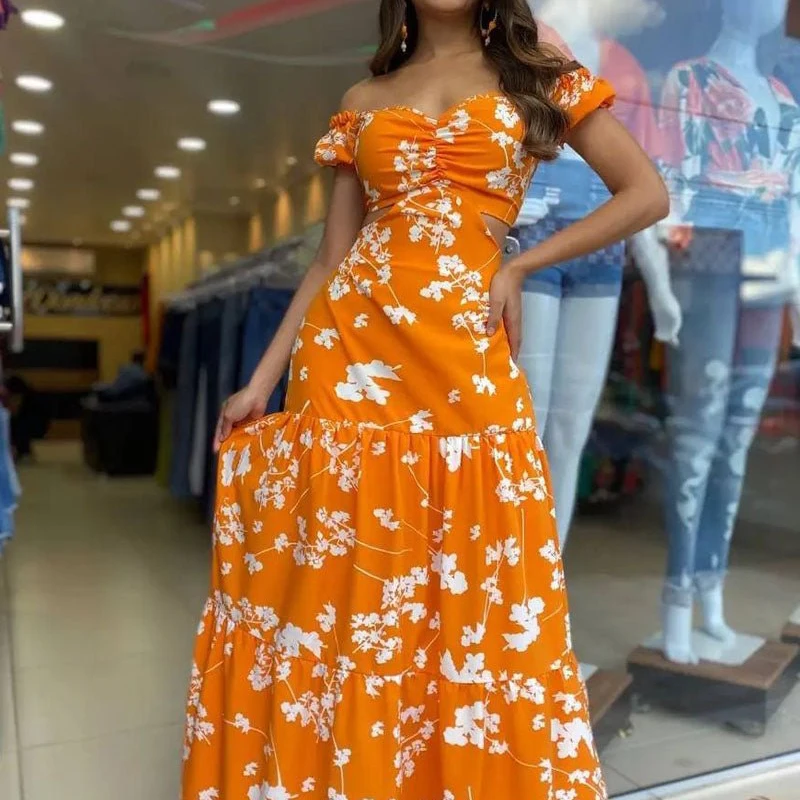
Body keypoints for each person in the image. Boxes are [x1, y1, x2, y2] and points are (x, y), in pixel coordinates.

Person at [180, 1, 668, 798]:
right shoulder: (363, 99)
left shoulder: (538, 75)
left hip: (466, 354)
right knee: (349, 593)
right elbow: (330, 260)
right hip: (350, 357)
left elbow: (645, 193)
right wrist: (260, 383)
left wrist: (518, 265)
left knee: (478, 584)